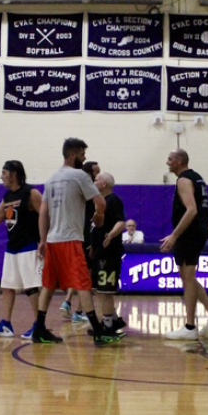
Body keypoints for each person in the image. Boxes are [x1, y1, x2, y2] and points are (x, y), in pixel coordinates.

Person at [34, 137, 124, 345]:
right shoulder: (80, 176)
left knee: (48, 284)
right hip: (71, 239)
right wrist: (99, 216)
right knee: (83, 284)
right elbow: (101, 202)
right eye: (82, 155)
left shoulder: (51, 179)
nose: (84, 159)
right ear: (73, 155)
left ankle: (39, 329)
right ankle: (99, 331)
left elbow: (43, 213)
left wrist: (42, 240)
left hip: (53, 240)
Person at [161, 148, 208, 340]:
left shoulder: (184, 180)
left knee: (187, 279)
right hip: (196, 232)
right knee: (188, 278)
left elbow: (191, 210)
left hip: (189, 234)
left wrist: (174, 235)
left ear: (180, 161)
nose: (167, 162)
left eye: (170, 159)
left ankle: (190, 327)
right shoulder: (198, 178)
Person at [0, 160, 44, 340]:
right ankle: (5, 324)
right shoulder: (7, 197)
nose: (1, 177)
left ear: (14, 174)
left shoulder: (31, 193)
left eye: (4, 173)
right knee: (7, 287)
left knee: (31, 287)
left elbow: (46, 216)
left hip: (29, 246)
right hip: (12, 248)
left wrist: (44, 241)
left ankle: (39, 325)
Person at [59, 160, 100, 324]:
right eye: (96, 172)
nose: (98, 175)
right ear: (89, 173)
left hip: (76, 234)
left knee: (79, 273)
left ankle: (69, 303)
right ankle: (77, 310)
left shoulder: (76, 188)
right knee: (85, 275)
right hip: (85, 236)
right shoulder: (87, 190)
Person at [87, 172, 127, 334]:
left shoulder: (113, 200)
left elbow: (121, 222)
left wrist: (110, 236)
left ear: (104, 184)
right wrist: (93, 246)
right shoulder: (100, 202)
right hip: (99, 252)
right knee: (98, 288)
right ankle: (114, 319)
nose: (93, 182)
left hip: (109, 253)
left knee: (106, 290)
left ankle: (108, 325)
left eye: (96, 180)